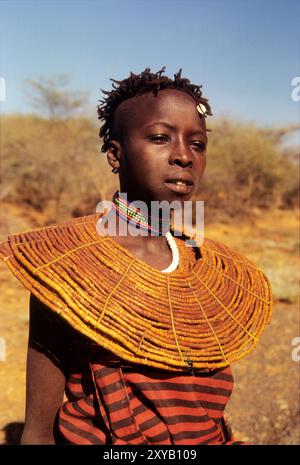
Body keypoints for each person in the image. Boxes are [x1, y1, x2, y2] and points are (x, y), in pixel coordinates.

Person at [0, 67, 272, 445]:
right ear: (115, 154)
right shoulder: (65, 265)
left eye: (198, 143)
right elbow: (38, 433)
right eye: (161, 137)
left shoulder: (210, 272)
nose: (183, 156)